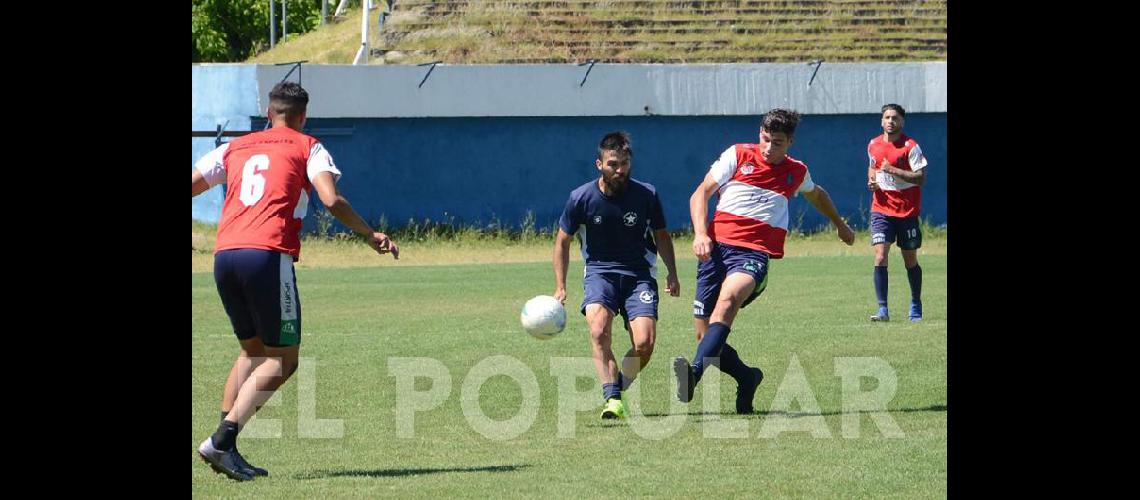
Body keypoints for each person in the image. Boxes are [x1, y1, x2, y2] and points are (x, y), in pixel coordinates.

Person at [192, 81, 398, 481]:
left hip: (225, 256)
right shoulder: (308, 146)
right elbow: (331, 199)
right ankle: (221, 441)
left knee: (252, 352)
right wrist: (370, 234)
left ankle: (227, 445)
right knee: (284, 359)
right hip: (267, 255)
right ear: (303, 117)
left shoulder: (235, 147)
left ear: (268, 113)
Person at [674, 109, 854, 413]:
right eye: (766, 139)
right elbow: (700, 195)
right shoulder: (738, 155)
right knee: (705, 336)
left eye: (778, 143)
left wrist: (840, 223)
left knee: (728, 300)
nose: (770, 148)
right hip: (715, 251)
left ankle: (693, 374)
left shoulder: (795, 172)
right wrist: (701, 234)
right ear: (760, 133)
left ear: (791, 142)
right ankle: (747, 377)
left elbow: (817, 194)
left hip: (752, 255)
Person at [553, 131, 681, 420]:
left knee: (644, 344)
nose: (620, 170)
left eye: (624, 163)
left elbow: (661, 235)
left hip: (639, 275)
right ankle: (612, 398)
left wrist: (672, 273)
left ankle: (619, 386)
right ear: (599, 164)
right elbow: (562, 241)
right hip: (600, 273)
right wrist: (560, 286)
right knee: (598, 331)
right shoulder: (581, 198)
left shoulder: (646, 194)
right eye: (613, 164)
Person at [867, 103, 928, 322]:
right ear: (881, 121)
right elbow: (873, 167)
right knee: (880, 255)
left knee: (909, 260)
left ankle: (915, 304)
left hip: (906, 212)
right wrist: (872, 182)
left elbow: (920, 178)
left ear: (902, 121)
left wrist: (892, 170)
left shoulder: (911, 146)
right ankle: (883, 309)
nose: (890, 121)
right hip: (881, 210)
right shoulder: (873, 144)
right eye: (887, 117)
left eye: (895, 118)